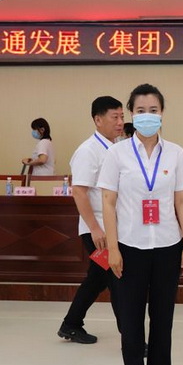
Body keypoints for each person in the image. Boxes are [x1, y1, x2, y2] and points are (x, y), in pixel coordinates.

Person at [99, 83, 183, 365]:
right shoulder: (117, 154)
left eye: (153, 110)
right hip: (130, 248)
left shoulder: (176, 153)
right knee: (131, 321)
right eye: (141, 111)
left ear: (162, 113)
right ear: (131, 114)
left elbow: (182, 200)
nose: (147, 116)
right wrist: (113, 249)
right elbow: (108, 202)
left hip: (168, 246)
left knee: (163, 319)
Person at [57, 96, 124, 344]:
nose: (120, 122)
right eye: (114, 117)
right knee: (118, 279)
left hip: (113, 228)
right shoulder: (88, 151)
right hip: (97, 230)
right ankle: (132, 338)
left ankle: (71, 324)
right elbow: (79, 191)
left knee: (98, 278)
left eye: (122, 117)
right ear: (98, 120)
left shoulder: (116, 147)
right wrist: (95, 228)